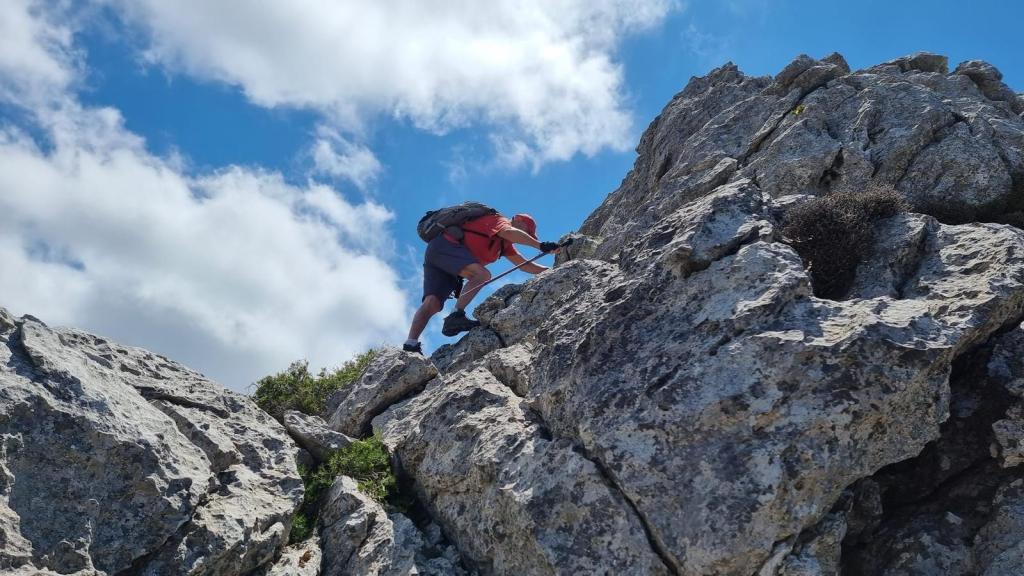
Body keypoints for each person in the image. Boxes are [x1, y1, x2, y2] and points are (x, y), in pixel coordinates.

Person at [403, 212, 559, 353]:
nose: (526, 234)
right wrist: (540, 246)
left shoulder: (504, 245)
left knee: (433, 303)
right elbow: (510, 232)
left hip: (439, 254)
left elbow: (525, 265)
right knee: (482, 275)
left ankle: (410, 344)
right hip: (446, 246)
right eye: (527, 231)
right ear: (518, 221)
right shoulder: (497, 221)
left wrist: (552, 270)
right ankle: (456, 315)